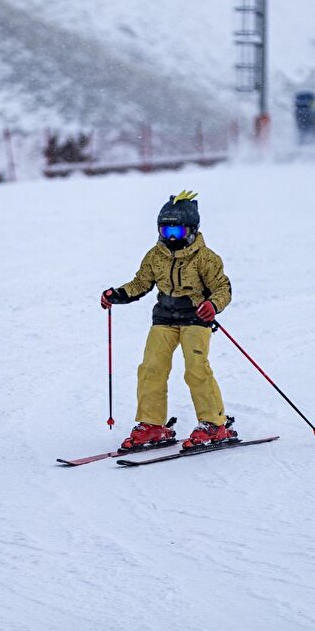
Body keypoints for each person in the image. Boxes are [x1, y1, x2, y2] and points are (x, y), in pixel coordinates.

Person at [100, 190, 237, 451]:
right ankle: (152, 425)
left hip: (195, 319)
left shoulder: (206, 258)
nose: (171, 238)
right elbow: (141, 283)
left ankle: (214, 423)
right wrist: (117, 295)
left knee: (196, 368)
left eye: (178, 232)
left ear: (192, 230)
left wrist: (213, 305)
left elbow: (223, 288)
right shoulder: (155, 255)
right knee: (151, 367)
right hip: (164, 318)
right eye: (166, 232)